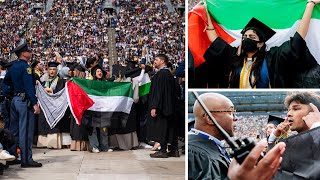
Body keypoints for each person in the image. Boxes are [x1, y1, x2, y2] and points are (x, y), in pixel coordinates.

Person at [204, 1, 320, 88]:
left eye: (251, 37)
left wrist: (310, 5)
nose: (246, 39)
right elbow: (212, 34)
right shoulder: (233, 56)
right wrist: (205, 8)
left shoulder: (274, 58)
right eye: (244, 37)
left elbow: (298, 39)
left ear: (260, 43)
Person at [188, 93, 286, 180]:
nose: (236, 118)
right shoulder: (194, 154)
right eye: (230, 112)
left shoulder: (212, 147)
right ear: (210, 118)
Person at [4, 42, 42, 168]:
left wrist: (11, 92)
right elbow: (29, 86)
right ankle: (26, 159)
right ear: (24, 54)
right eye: (28, 51)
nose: (30, 53)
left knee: (14, 130)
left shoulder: (13, 67)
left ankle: (12, 155)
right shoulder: (27, 67)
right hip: (24, 101)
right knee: (26, 131)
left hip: (14, 100)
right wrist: (35, 103)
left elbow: (6, 81)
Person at [147, 54, 178, 158]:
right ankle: (174, 150)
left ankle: (163, 150)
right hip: (170, 107)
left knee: (162, 128)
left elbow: (158, 92)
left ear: (162, 61)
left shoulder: (161, 74)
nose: (154, 61)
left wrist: (154, 106)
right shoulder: (169, 74)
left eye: (156, 59)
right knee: (171, 128)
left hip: (162, 108)